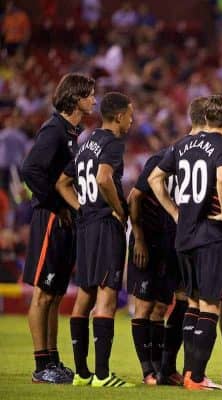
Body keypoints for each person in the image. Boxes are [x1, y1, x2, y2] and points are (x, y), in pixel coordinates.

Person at [148, 94, 222, 391]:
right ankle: (196, 377)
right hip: (210, 235)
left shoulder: (181, 145)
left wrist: (174, 211)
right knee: (211, 306)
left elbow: (154, 179)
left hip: (183, 235)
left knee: (193, 303)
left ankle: (189, 373)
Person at [55, 92, 134, 388]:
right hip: (103, 225)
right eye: (130, 114)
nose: (132, 119)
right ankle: (102, 374)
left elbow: (62, 183)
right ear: (117, 116)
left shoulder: (86, 142)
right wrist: (119, 210)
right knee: (106, 295)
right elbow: (103, 178)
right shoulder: (112, 143)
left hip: (86, 226)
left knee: (84, 296)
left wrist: (80, 208)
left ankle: (81, 373)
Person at [126, 101, 207, 386]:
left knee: (172, 305)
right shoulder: (158, 161)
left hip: (178, 245)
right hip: (149, 244)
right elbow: (134, 197)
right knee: (145, 308)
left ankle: (166, 368)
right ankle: (148, 370)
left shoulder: (197, 166)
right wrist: (138, 238)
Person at [21, 73, 96, 384]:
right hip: (51, 218)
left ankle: (52, 360)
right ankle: (42, 366)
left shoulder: (69, 131)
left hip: (62, 220)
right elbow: (30, 170)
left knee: (53, 294)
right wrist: (57, 204)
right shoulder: (53, 130)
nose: (94, 100)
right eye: (90, 95)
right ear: (76, 98)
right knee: (42, 294)